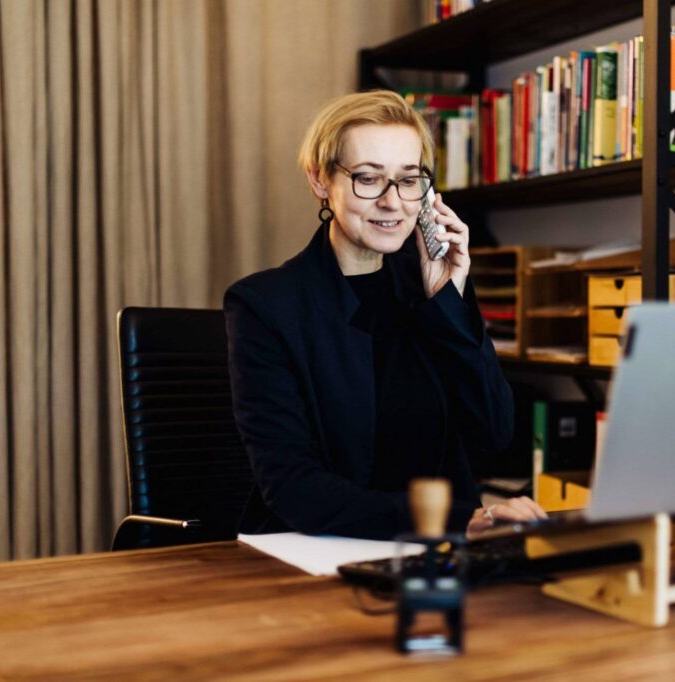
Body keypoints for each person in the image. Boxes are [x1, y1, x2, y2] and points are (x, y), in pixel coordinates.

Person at [224, 90, 547, 540]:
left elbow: (494, 433)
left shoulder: (432, 285)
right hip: (317, 552)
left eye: (409, 179)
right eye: (369, 179)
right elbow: (293, 487)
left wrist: (447, 300)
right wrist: (453, 522)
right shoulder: (266, 305)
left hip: (441, 556)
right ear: (320, 181)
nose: (394, 202)